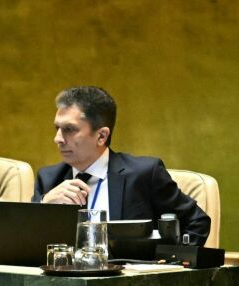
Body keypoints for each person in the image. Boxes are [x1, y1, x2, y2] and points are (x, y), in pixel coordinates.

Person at [32, 86, 211, 245]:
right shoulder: (49, 179)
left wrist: (167, 267)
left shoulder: (144, 174)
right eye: (57, 128)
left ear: (101, 136)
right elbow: (26, 243)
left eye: (69, 130)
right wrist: (44, 205)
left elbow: (197, 223)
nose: (58, 139)